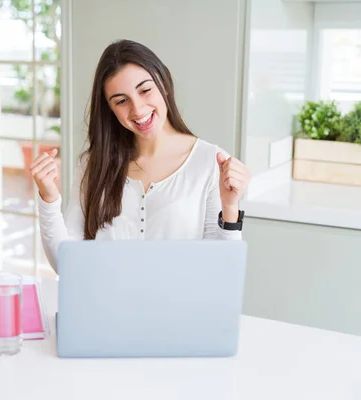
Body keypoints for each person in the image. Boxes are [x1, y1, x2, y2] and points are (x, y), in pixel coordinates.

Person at [30, 39, 251, 271]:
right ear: (110, 109)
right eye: (121, 101)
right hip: (105, 306)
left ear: (163, 83)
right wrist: (48, 198)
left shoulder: (211, 162)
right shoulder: (94, 164)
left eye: (145, 90)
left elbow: (220, 269)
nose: (137, 110)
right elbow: (66, 265)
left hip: (177, 307)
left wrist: (230, 206)